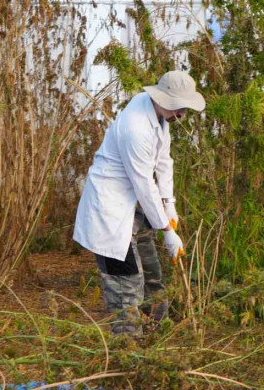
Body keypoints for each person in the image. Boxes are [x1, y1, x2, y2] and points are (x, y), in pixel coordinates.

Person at [73, 70, 205, 335]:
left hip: (131, 209)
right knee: (127, 287)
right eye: (179, 108)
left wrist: (170, 204)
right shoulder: (136, 127)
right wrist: (167, 232)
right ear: (164, 99)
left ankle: (154, 334)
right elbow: (144, 184)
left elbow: (164, 161)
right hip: (110, 211)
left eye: (184, 109)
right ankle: (129, 349)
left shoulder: (158, 114)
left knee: (152, 277)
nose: (181, 115)